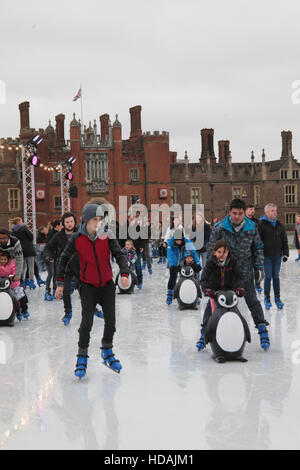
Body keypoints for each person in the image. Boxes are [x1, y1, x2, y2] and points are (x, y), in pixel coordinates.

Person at [55, 203, 130, 378]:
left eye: (100, 220)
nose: (98, 223)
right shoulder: (76, 239)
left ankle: (107, 350)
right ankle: (82, 354)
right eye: (94, 220)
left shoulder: (107, 235)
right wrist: (59, 283)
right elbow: (64, 259)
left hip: (107, 285)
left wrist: (124, 272)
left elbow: (119, 255)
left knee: (111, 321)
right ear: (86, 220)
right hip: (87, 286)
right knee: (86, 322)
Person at [207, 198, 270, 351]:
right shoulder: (220, 228)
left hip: (244, 273)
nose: (236, 216)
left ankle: (262, 330)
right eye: (234, 213)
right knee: (214, 303)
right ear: (230, 212)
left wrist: (259, 267)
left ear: (244, 214)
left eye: (240, 213)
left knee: (253, 301)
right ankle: (205, 332)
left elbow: (258, 248)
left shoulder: (252, 227)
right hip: (224, 274)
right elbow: (211, 249)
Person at [196, 239, 244, 351]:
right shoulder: (210, 263)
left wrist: (239, 288)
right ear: (214, 252)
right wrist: (208, 290)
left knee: (234, 315)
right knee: (209, 314)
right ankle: (204, 335)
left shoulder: (233, 261)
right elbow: (204, 279)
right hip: (215, 294)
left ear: (228, 252)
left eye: (224, 252)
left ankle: (234, 336)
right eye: (219, 252)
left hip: (229, 294)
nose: (222, 255)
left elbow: (239, 276)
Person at [43, 212, 77, 324]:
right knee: (66, 292)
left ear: (75, 222)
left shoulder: (80, 234)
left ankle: (94, 309)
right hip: (66, 268)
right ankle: (68, 313)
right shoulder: (58, 236)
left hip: (80, 267)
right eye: (67, 222)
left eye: (71, 221)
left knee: (87, 291)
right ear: (63, 224)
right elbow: (48, 248)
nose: (70, 224)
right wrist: (49, 256)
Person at [258, 203, 289, 309]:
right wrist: (259, 254)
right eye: (272, 210)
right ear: (266, 212)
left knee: (276, 277)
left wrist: (285, 253)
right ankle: (267, 298)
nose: (274, 212)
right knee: (268, 277)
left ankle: (277, 298)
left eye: (275, 210)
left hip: (277, 256)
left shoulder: (279, 224)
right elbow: (258, 240)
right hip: (266, 256)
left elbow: (284, 240)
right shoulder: (261, 224)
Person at [166, 228, 201, 305]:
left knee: (191, 276)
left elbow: (194, 253)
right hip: (174, 262)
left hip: (183, 261)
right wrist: (172, 265)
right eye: (177, 240)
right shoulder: (170, 242)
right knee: (173, 277)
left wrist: (198, 263)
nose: (178, 242)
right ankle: (169, 295)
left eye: (180, 240)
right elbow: (170, 254)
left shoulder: (187, 242)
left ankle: (196, 295)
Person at [0, 250, 29, 321]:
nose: (3, 261)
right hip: (3, 286)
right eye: (1, 259)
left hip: (14, 284)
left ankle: (24, 310)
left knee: (20, 297)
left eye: (5, 259)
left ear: (8, 259)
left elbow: (15, 270)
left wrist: (13, 276)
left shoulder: (12, 263)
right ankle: (15, 312)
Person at [11, 217, 37, 290]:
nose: (22, 222)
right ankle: (31, 282)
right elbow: (31, 237)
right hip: (29, 249)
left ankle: (22, 282)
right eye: (21, 221)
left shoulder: (13, 231)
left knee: (23, 267)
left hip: (20, 250)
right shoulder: (24, 228)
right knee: (31, 267)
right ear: (19, 221)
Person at [245, 204, 261, 293]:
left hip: (255, 249)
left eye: (253, 209)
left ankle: (258, 285)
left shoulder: (257, 222)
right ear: (246, 211)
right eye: (250, 209)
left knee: (257, 268)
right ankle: (247, 286)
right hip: (246, 249)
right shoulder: (242, 221)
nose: (252, 211)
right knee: (247, 270)